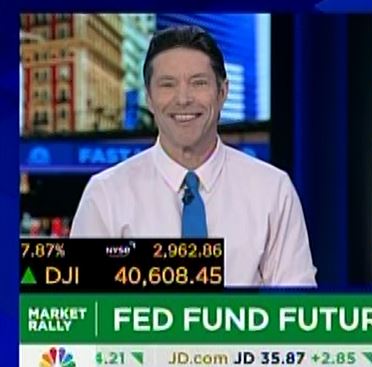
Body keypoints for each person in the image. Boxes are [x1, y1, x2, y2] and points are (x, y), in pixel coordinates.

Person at [71, 26, 317, 287]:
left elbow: (295, 305)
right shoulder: (106, 194)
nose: (183, 99)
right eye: (167, 84)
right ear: (149, 98)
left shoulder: (272, 190)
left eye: (198, 83)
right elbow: (85, 305)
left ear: (223, 92)